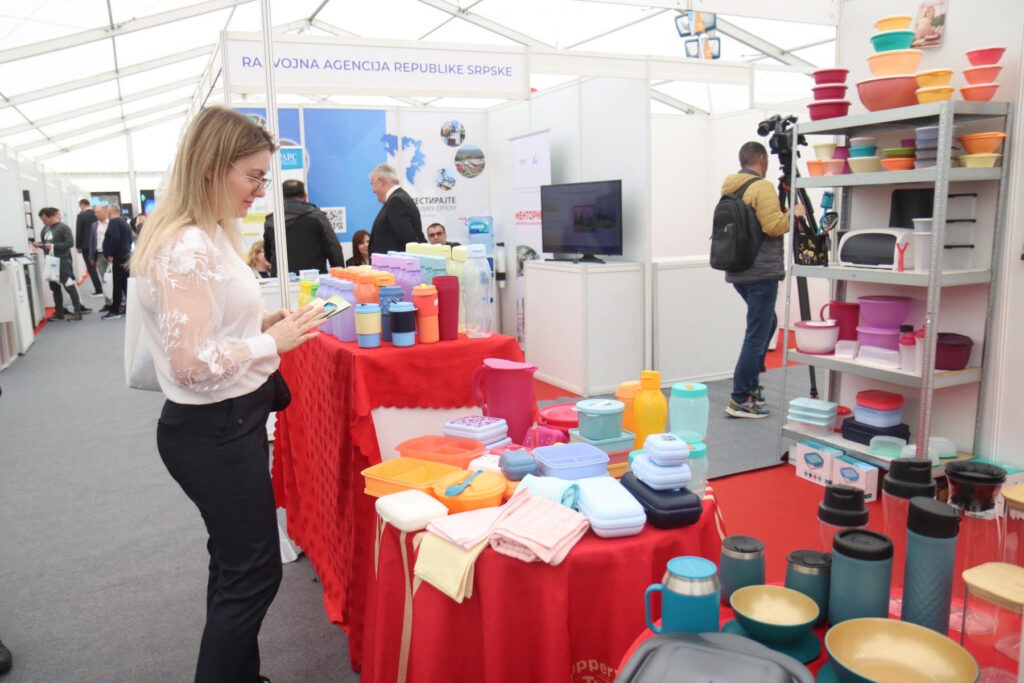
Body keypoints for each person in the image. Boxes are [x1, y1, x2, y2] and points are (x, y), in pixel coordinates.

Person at [130, 106, 323, 683]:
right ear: (213, 167)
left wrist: (259, 325)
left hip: (226, 424)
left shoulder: (207, 234)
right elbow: (191, 363)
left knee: (237, 565)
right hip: (214, 430)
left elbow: (207, 327)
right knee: (253, 574)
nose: (260, 191)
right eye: (254, 177)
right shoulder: (187, 246)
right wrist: (269, 344)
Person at [721, 141, 804, 419]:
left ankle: (751, 385)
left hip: (738, 270)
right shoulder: (762, 187)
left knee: (768, 323)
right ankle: (740, 398)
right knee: (757, 335)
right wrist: (793, 214)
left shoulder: (731, 187)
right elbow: (773, 226)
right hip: (761, 272)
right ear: (762, 159)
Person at [262, 179, 344, 275]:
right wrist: (339, 275)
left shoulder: (272, 220)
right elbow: (334, 250)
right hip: (313, 280)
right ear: (305, 196)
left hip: (282, 280)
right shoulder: (317, 217)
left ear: (282, 198)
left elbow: (269, 255)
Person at [38, 207, 89, 321]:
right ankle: (59, 311)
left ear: (51, 216)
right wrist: (41, 245)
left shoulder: (64, 228)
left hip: (62, 261)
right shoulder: (45, 230)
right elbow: (46, 243)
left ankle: (77, 310)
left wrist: (53, 246)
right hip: (50, 262)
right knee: (54, 287)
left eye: (45, 220)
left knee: (68, 285)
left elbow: (69, 243)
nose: (44, 222)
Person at [367, 163, 425, 254]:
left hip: (395, 263)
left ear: (381, 180)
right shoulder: (400, 198)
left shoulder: (395, 201)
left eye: (372, 184)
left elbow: (409, 242)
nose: (373, 191)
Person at [101, 203, 132, 320]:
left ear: (109, 212)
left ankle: (115, 309)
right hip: (125, 255)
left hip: (118, 257)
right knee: (124, 284)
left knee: (117, 284)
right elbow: (129, 239)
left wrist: (110, 253)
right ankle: (128, 306)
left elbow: (114, 238)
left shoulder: (114, 223)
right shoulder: (124, 223)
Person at [74, 198, 102, 296]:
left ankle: (98, 289)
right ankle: (108, 287)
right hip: (98, 244)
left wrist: (78, 246)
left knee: (91, 268)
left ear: (82, 205)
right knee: (103, 266)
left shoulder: (81, 216)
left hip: (86, 245)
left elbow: (79, 231)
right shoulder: (96, 214)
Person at [89, 204, 112, 310]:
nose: (96, 214)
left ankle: (120, 301)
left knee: (115, 279)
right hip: (99, 255)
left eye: (98, 212)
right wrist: (91, 257)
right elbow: (92, 241)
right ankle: (108, 302)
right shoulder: (94, 225)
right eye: (95, 212)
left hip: (111, 255)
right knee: (105, 280)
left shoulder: (111, 223)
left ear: (104, 212)